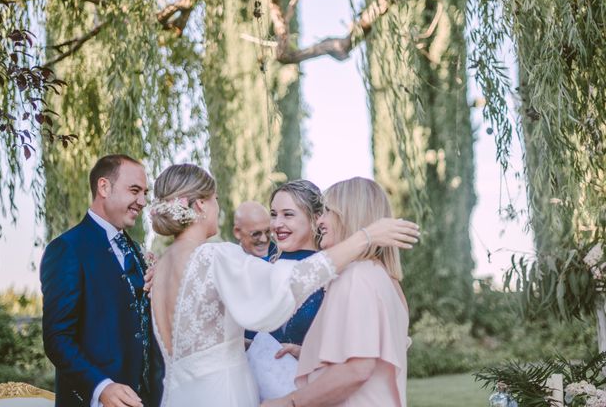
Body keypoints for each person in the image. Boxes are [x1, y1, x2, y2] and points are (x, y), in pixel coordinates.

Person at [148, 164, 419, 407]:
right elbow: (285, 283)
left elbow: (202, 336)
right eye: (215, 200)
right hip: (223, 391)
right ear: (200, 206)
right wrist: (365, 238)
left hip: (177, 394)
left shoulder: (158, 271)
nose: (219, 208)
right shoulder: (213, 255)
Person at [263, 177, 412, 407]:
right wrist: (307, 353)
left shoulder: (356, 276)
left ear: (349, 214)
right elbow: (373, 356)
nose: (320, 220)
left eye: (327, 211)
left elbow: (357, 370)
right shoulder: (385, 278)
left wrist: (289, 402)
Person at [40, 154, 164, 407]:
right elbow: (57, 338)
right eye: (134, 190)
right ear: (104, 187)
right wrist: (101, 387)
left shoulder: (136, 251)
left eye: (144, 193)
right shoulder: (67, 249)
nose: (142, 202)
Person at [267, 180, 325, 347]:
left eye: (288, 214)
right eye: (273, 214)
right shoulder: (264, 268)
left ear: (315, 218)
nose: (277, 224)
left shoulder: (331, 270)